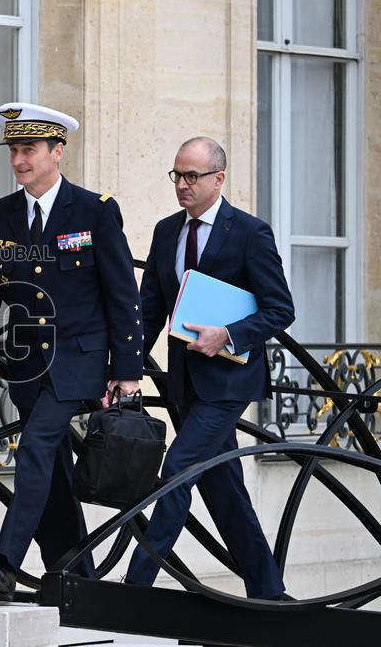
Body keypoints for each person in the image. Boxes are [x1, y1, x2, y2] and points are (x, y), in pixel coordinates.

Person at [0, 102, 143, 600]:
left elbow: (123, 295)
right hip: (27, 366)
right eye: (14, 150)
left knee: (34, 449)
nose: (19, 160)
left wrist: (128, 368)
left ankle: (4, 562)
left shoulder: (95, 210)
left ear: (58, 151)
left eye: (29, 149)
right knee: (51, 472)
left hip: (77, 361)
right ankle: (78, 577)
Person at [123, 136, 292, 600]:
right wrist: (126, 368)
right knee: (224, 490)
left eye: (192, 176)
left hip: (229, 381)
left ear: (219, 179)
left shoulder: (251, 232)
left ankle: (137, 584)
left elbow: (280, 310)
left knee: (177, 467)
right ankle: (269, 591)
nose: (182, 184)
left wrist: (229, 334)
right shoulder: (166, 231)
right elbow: (150, 310)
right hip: (185, 382)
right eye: (177, 174)